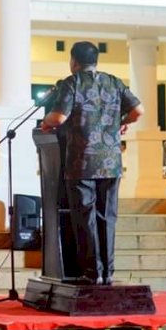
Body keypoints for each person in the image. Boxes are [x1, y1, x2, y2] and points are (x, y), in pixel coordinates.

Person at [41, 41, 143, 286]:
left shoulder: (73, 82)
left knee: (85, 217)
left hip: (81, 161)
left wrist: (46, 121)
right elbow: (139, 111)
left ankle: (91, 272)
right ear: (95, 60)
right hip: (110, 162)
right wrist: (120, 121)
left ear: (73, 61)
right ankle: (108, 273)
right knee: (107, 216)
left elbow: (59, 117)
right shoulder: (114, 82)